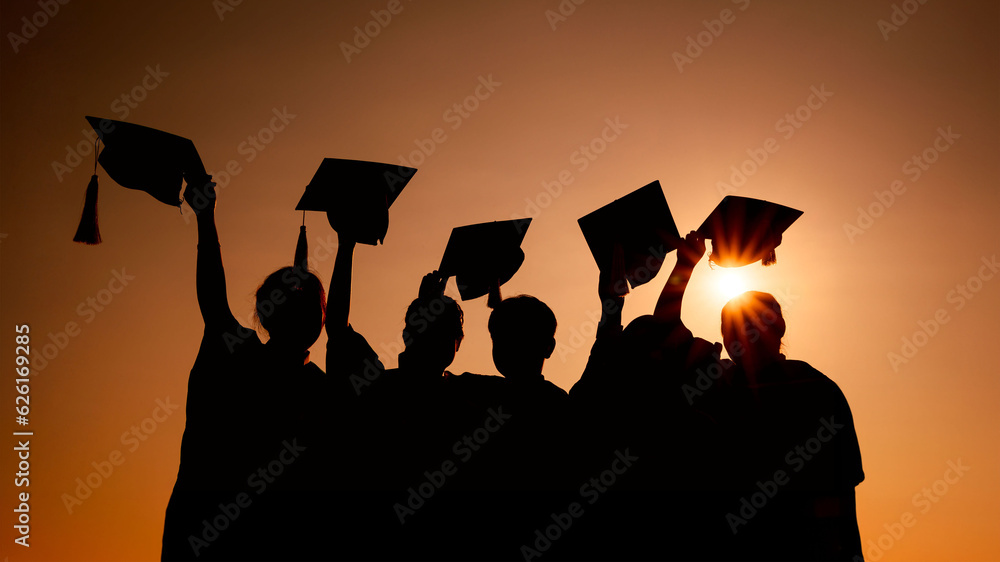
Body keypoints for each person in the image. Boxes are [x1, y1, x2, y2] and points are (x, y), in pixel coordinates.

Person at [161, 175, 330, 561]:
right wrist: (206, 218)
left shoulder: (320, 387)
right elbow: (213, 296)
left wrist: (206, 216)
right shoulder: (239, 351)